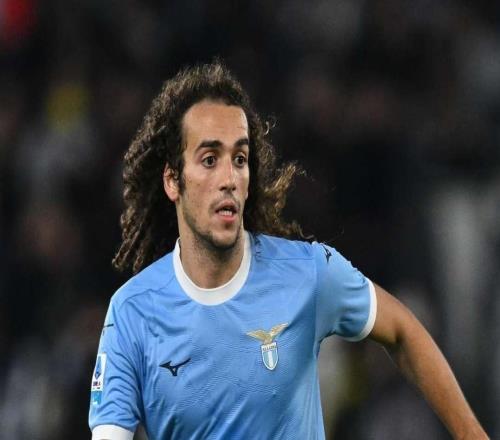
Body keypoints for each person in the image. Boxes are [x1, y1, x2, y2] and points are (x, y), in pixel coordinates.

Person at [89, 62, 488, 440]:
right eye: (209, 159)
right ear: (173, 181)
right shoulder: (132, 313)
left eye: (240, 159)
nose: (229, 177)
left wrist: (472, 434)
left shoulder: (308, 272)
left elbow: (403, 331)